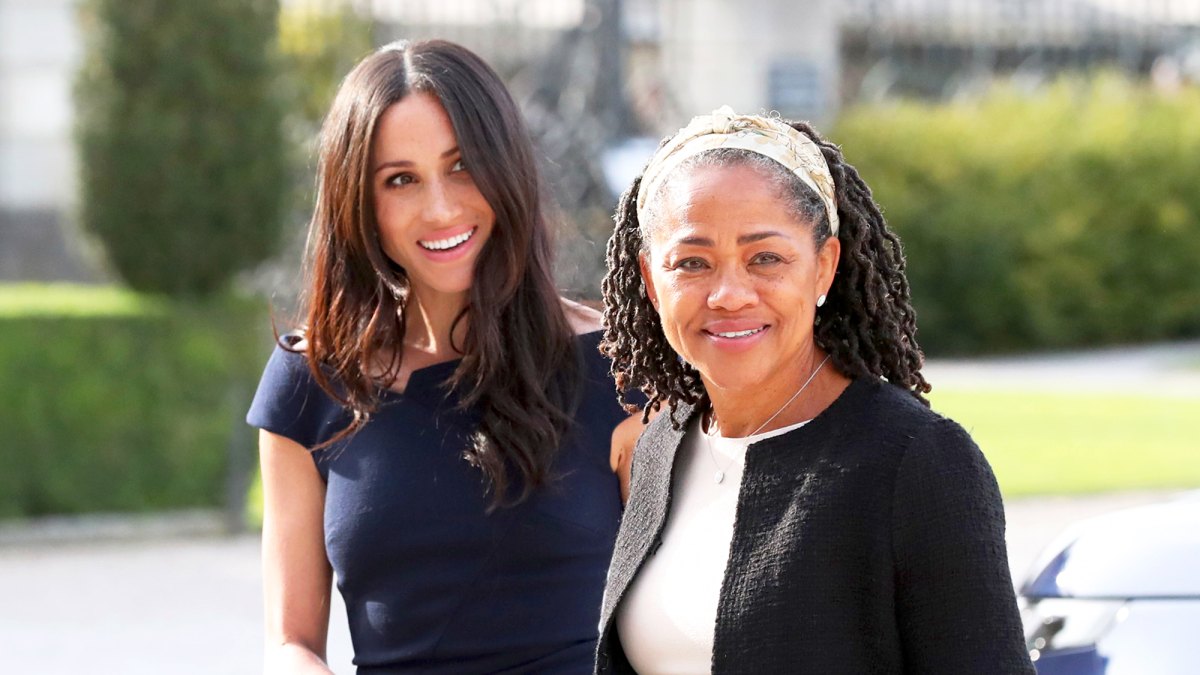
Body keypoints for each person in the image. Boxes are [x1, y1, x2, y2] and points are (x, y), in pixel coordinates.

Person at [594, 107, 1035, 674]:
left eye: (766, 258)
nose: (729, 294)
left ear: (824, 267)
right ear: (652, 281)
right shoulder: (661, 447)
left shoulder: (915, 461)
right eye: (693, 262)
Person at [247, 39, 639, 674]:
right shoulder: (310, 383)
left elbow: (680, 618)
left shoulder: (619, 367)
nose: (440, 208)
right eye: (400, 180)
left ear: (506, 166)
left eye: (462, 166)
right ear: (361, 204)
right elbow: (290, 640)